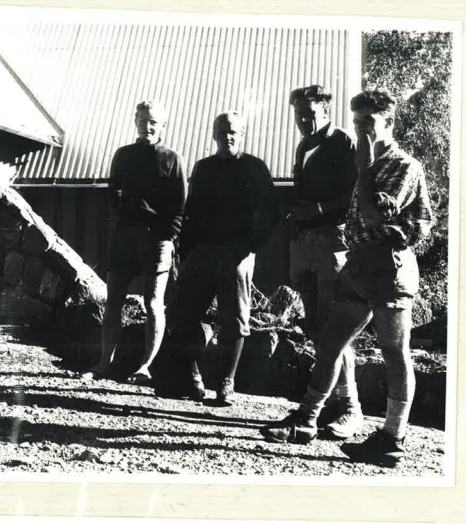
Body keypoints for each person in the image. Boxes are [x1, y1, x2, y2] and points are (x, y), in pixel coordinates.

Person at [260, 89, 433, 468]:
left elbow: (374, 217)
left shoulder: (402, 165)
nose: (361, 130)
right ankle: (305, 420)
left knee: (394, 351)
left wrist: (365, 169)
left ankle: (392, 436)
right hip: (357, 265)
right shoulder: (363, 161)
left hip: (390, 268)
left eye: (368, 123)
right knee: (331, 340)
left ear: (389, 124)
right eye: (357, 123)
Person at [157, 111, 276, 403]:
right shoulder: (204, 168)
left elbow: (270, 213)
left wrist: (249, 246)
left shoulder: (255, 168)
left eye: (233, 131)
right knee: (182, 313)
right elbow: (192, 211)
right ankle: (193, 379)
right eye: (222, 131)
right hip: (203, 250)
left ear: (242, 133)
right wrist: (188, 251)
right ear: (214, 134)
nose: (228, 136)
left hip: (237, 252)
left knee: (235, 318)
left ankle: (226, 383)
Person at [82, 100, 187, 384]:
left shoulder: (172, 158)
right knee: (113, 299)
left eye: (153, 122)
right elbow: (113, 188)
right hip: (125, 235)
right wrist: (123, 212)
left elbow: (180, 204)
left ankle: (145, 366)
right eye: (143, 121)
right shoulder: (123, 154)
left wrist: (167, 235)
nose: (147, 126)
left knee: (154, 304)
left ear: (162, 126)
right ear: (136, 122)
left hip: (157, 239)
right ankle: (105, 361)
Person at [286, 85, 363, 438]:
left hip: (333, 242)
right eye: (300, 114)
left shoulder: (343, 142)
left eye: (311, 114)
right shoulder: (304, 146)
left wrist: (318, 210)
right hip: (306, 244)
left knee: (336, 330)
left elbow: (352, 194)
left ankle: (350, 407)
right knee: (316, 328)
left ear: (326, 111)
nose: (304, 120)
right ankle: (329, 398)